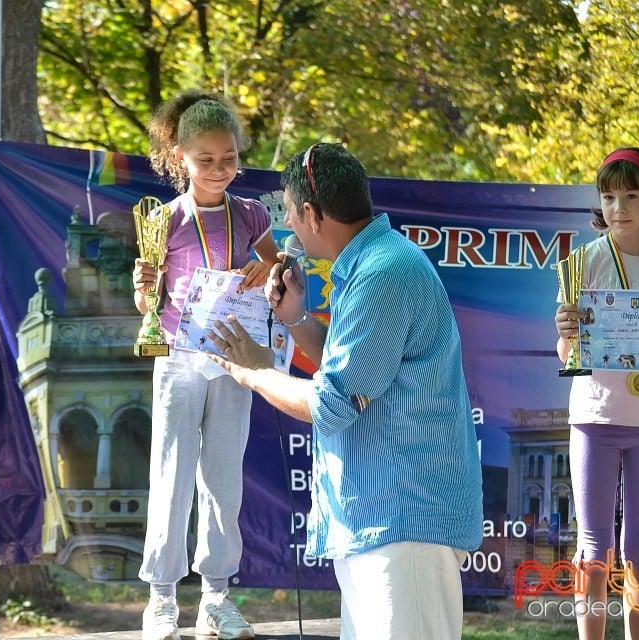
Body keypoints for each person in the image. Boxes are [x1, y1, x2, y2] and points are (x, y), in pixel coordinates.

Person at [205, 142, 483, 640]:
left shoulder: (383, 272)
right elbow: (357, 363)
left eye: (289, 211)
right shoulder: (375, 262)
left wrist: (254, 373)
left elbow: (333, 404)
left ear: (311, 213)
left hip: (404, 524)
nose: (287, 225)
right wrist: (294, 319)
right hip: (380, 522)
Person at [132, 89, 281, 640]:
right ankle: (162, 600)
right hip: (178, 356)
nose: (220, 170)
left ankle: (216, 598)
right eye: (206, 160)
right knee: (170, 475)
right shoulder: (165, 220)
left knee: (223, 477)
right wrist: (145, 288)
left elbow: (276, 270)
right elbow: (147, 303)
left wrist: (266, 268)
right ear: (180, 159)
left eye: (229, 158)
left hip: (235, 359)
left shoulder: (252, 214)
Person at [554, 147, 639, 640]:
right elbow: (566, 352)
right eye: (608, 196)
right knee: (592, 545)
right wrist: (564, 330)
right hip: (594, 419)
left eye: (631, 195)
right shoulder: (580, 264)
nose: (618, 208)